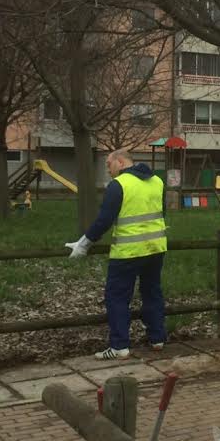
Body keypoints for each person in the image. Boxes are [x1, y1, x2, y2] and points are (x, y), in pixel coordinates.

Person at [66, 149, 168, 360]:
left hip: (128, 252)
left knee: (117, 297)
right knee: (152, 292)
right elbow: (161, 212)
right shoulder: (157, 181)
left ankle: (119, 346)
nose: (108, 169)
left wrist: (83, 244)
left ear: (120, 162)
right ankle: (157, 338)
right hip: (156, 248)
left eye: (109, 164)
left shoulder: (119, 185)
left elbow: (104, 220)